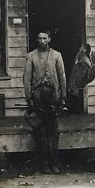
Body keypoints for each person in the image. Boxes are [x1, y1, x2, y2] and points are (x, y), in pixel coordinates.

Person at [23, 29, 67, 174]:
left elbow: (62, 77)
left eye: (44, 38)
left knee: (53, 131)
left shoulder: (57, 55)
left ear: (49, 40)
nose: (42, 41)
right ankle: (43, 164)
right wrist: (29, 98)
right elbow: (27, 79)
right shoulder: (31, 56)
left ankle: (54, 163)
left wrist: (63, 96)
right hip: (38, 98)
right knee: (40, 132)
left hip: (53, 98)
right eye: (39, 38)